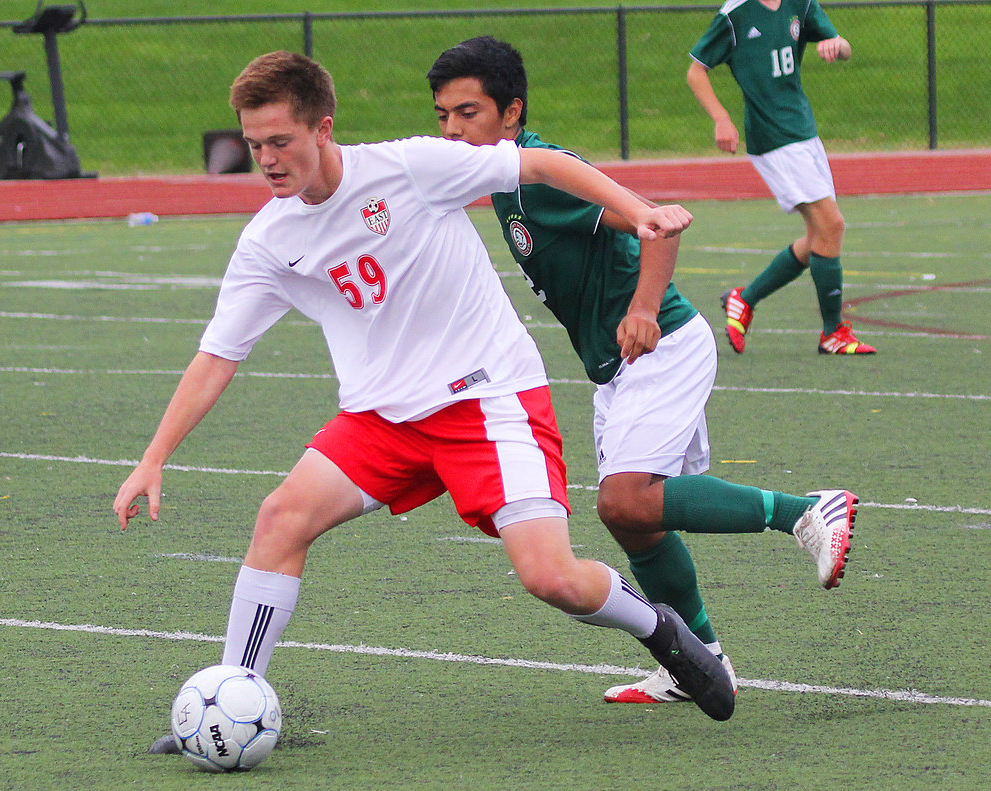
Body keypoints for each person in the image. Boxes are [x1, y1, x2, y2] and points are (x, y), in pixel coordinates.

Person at [113, 50, 737, 753]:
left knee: (551, 576)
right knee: (280, 517)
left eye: (280, 141)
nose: (267, 159)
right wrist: (154, 457)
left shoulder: (408, 166)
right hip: (383, 419)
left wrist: (638, 211)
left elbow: (540, 165)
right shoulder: (268, 240)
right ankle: (235, 692)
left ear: (322, 128)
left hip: (488, 399)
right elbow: (216, 357)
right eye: (254, 145)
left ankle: (660, 630)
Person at [426, 35, 858, 705]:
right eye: (443, 116)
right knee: (637, 521)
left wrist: (645, 308)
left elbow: (658, 224)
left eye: (468, 113)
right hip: (617, 367)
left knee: (624, 500)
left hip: (662, 348)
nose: (452, 130)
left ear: (511, 114)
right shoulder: (501, 182)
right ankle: (698, 661)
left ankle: (807, 511)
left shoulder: (537, 174)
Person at [687, 0, 875, 355]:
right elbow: (696, 71)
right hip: (773, 138)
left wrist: (836, 44)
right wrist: (721, 118)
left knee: (819, 234)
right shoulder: (735, 14)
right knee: (831, 225)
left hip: (804, 132)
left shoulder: (800, 4)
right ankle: (832, 332)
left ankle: (744, 299)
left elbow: (844, 47)